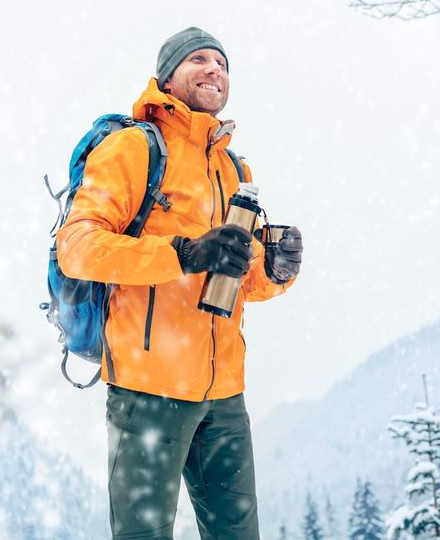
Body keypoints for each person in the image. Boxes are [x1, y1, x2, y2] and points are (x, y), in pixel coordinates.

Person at [56, 27, 302, 539]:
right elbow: (77, 247)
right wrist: (184, 253)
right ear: (167, 77)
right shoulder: (133, 149)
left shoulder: (234, 168)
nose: (214, 68)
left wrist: (276, 271)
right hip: (147, 389)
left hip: (224, 393)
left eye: (222, 62)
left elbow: (243, 280)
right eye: (198, 59)